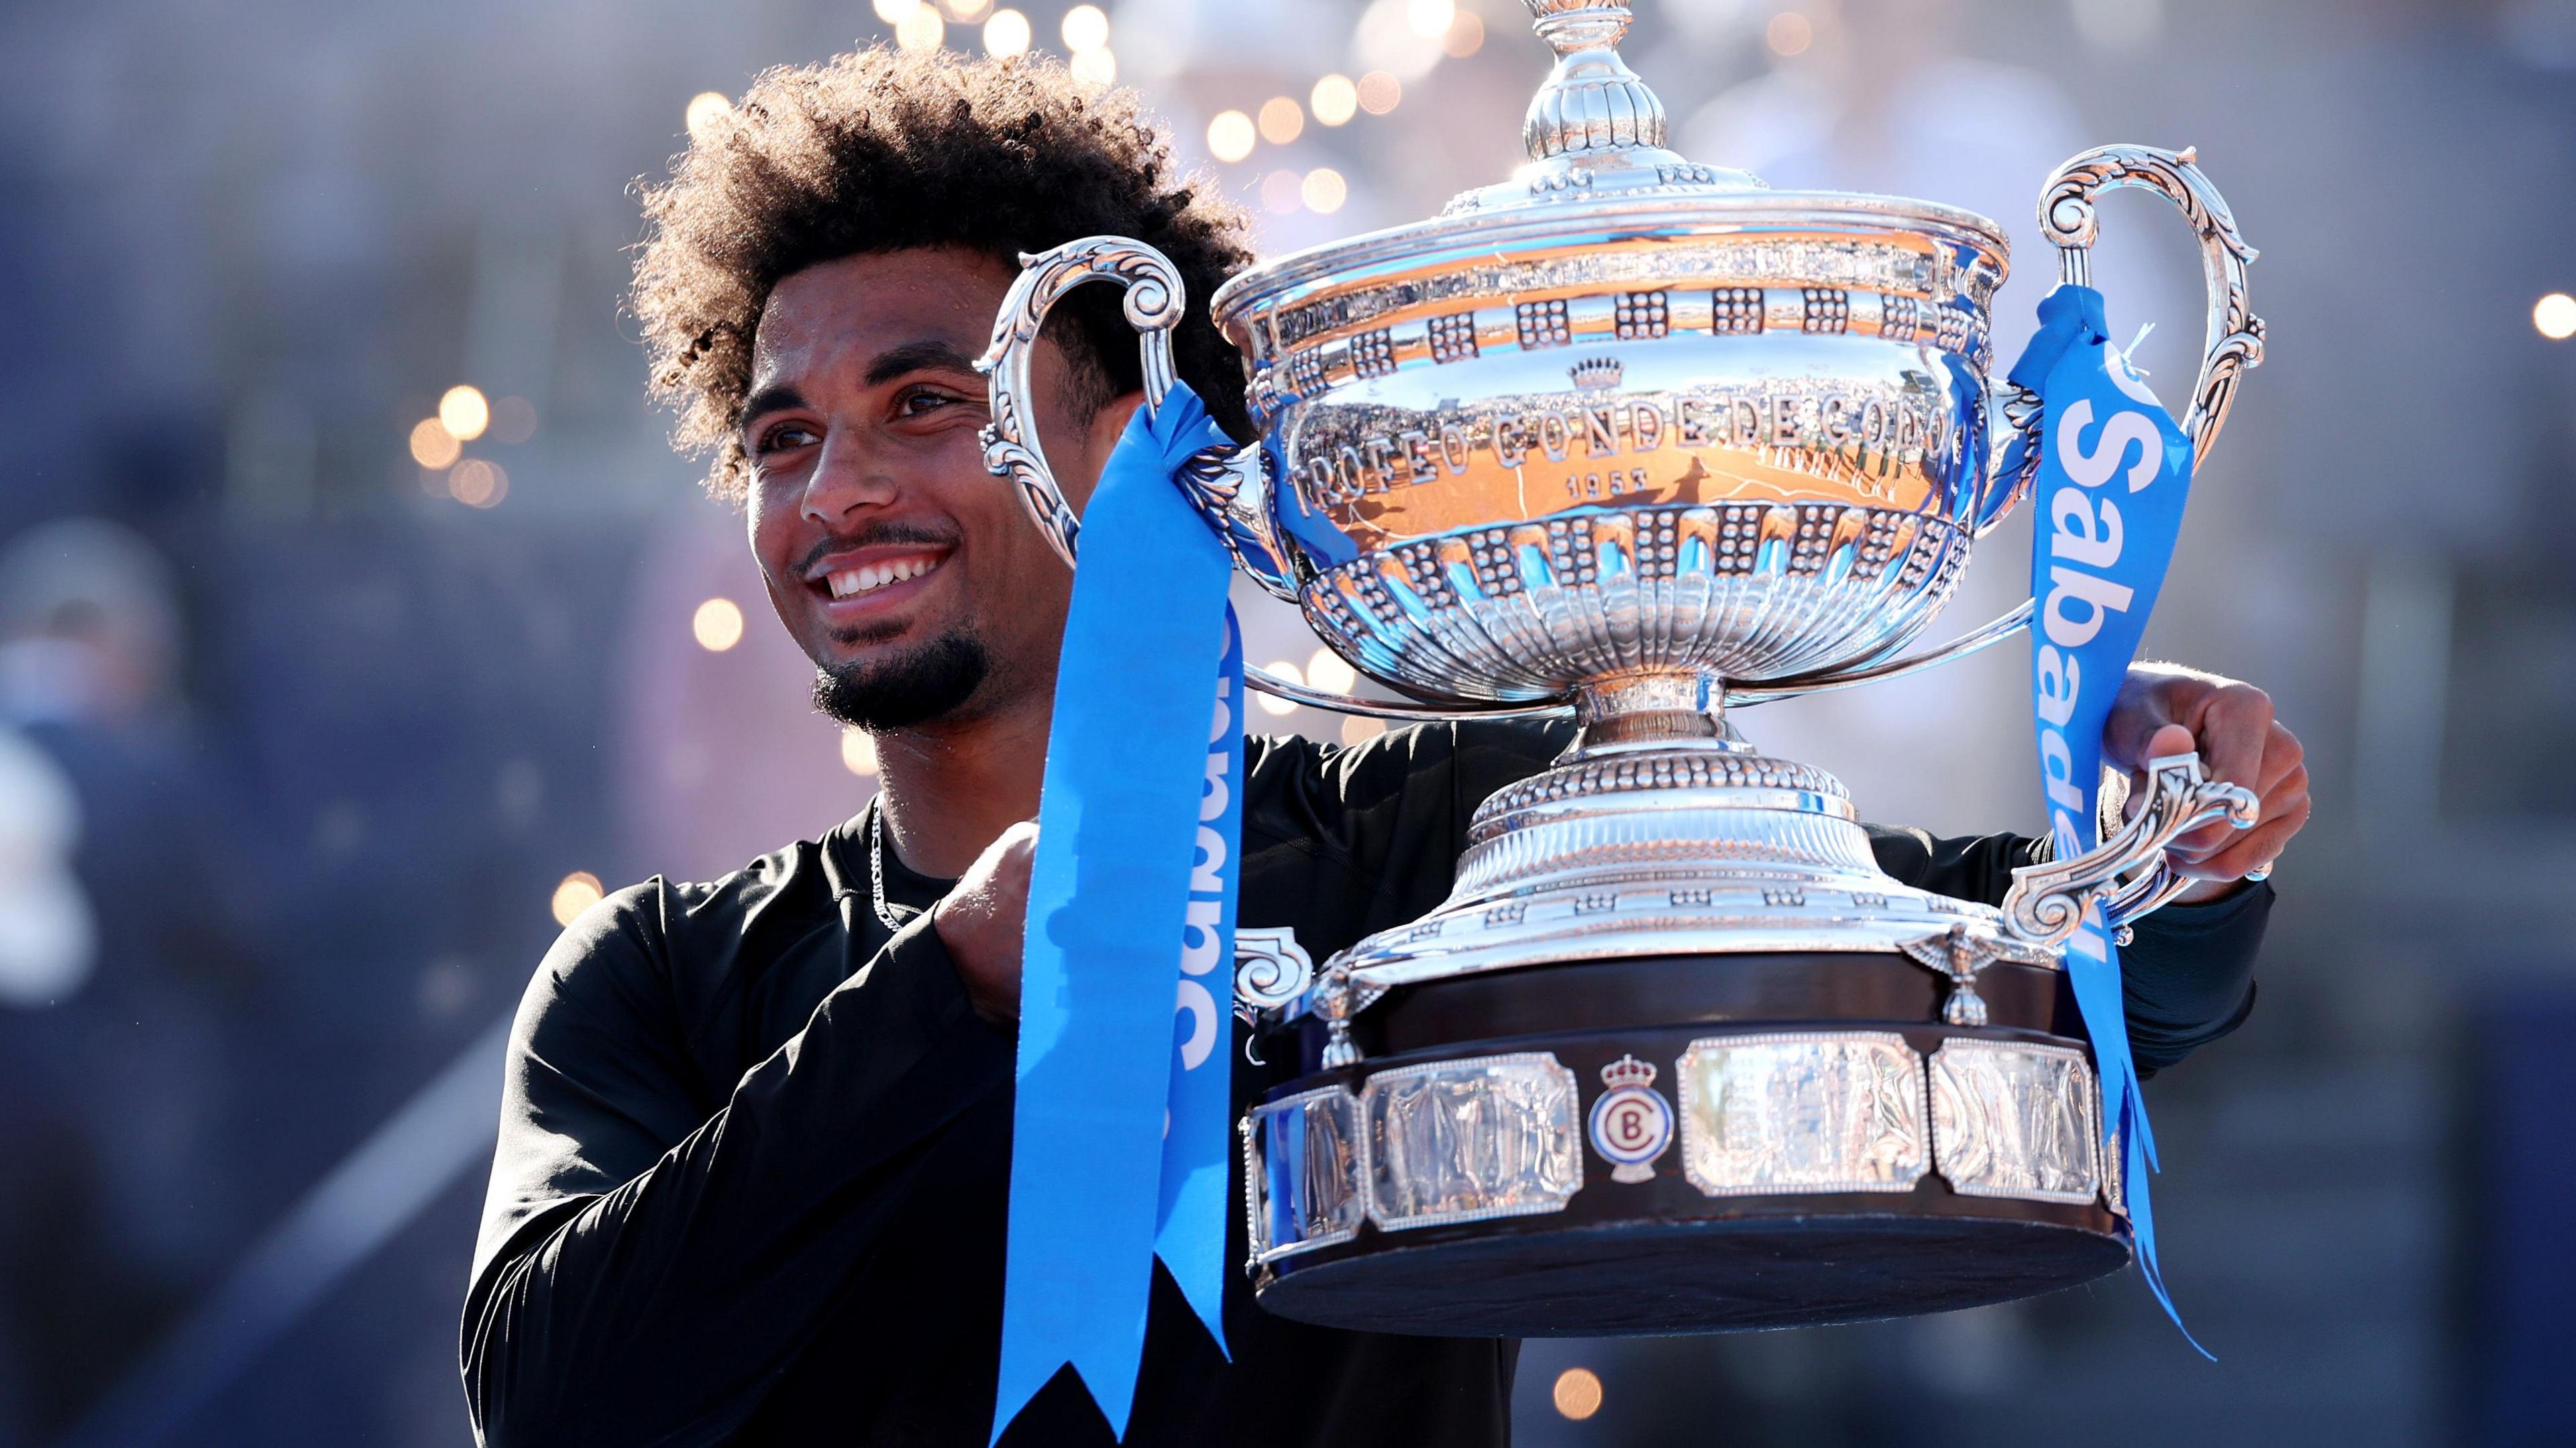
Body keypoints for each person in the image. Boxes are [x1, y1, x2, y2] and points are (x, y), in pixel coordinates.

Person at [460, 47, 2311, 1448]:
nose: (838, 488)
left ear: (1123, 455)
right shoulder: (653, 977)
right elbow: (547, 1397)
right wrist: (951, 985)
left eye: (925, 403)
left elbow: (2082, 992)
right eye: (782, 440)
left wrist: (2189, 837)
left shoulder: (1421, 842)